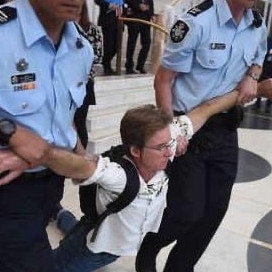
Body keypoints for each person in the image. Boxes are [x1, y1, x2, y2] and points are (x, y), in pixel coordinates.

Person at [135, 0, 267, 271]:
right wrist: (171, 132)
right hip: (188, 127)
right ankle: (150, 245)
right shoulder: (195, 22)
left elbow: (258, 57)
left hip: (226, 128)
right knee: (186, 213)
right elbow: (163, 80)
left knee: (214, 212)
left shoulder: (257, 24)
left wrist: (252, 75)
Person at [0, 0, 93, 271]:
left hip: (50, 183)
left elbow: (64, 115)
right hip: (8, 184)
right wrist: (10, 131)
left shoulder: (80, 48)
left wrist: (79, 153)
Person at [124, 0, 155, 74]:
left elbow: (150, 3)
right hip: (134, 17)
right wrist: (138, 6)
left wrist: (151, 14)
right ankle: (129, 66)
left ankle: (140, 65)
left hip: (146, 19)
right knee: (132, 43)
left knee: (147, 43)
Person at [94, 0, 122, 75]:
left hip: (119, 20)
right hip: (107, 20)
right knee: (109, 45)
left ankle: (105, 61)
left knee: (117, 46)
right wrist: (108, 5)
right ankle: (107, 67)